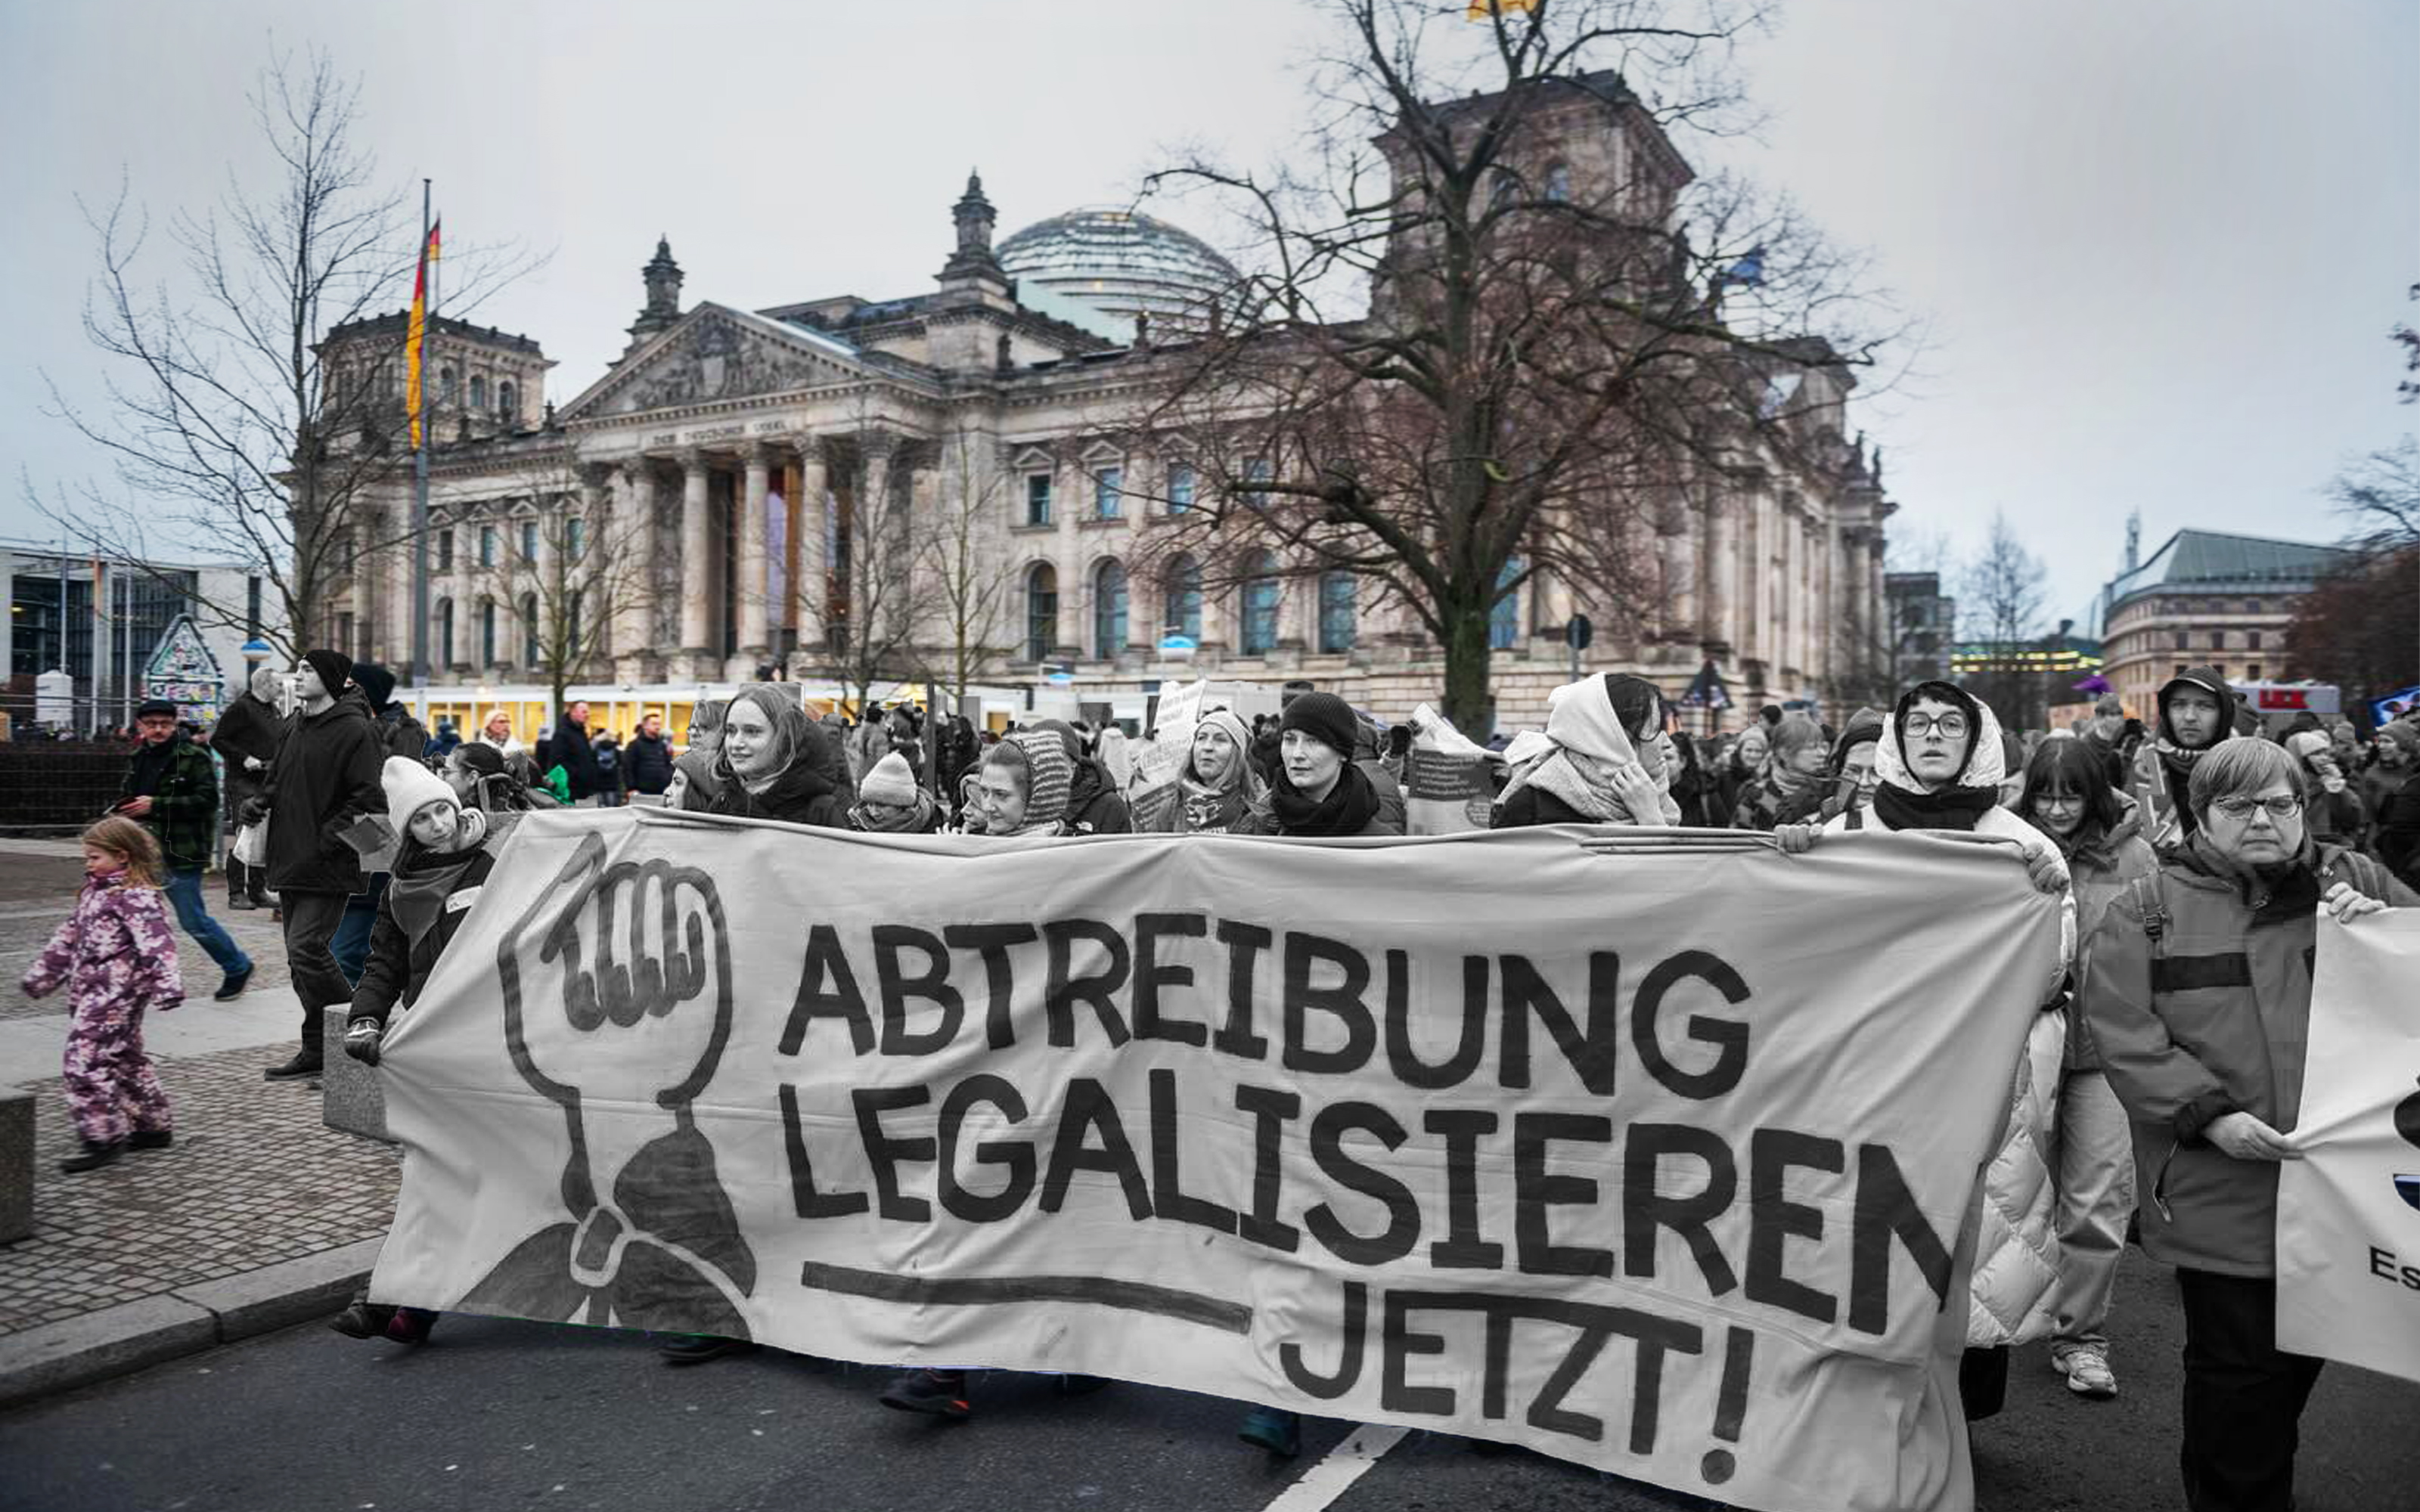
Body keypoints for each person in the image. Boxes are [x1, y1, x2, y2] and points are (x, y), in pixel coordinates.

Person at [2081, 739, 2413, 1511]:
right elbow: (2122, 1028)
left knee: (2285, 1378)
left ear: (2301, 808)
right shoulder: (2146, 907)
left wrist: (2384, 926)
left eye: (2278, 803)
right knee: (2238, 1388)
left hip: (2343, 1194)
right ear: (2199, 814)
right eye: (2238, 805)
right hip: (2219, 1195)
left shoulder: (2356, 882)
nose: (2261, 818)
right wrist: (2210, 1114)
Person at [329, 757, 501, 1346]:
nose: (437, 824)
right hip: (442, 1049)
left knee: (451, 1180)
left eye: (442, 810)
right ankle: (399, 1303)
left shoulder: (496, 867)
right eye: (423, 819)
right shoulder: (400, 892)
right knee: (440, 1177)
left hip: (499, 1046)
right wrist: (366, 1018)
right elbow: (385, 963)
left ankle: (397, 1303)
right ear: (408, 833)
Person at [2019, 737, 2159, 1402]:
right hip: (2023, 1046)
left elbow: (2163, 947)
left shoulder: (2135, 856)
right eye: (2043, 795)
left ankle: (2081, 1337)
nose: (2055, 809)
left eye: (2069, 794)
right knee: (2013, 1196)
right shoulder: (2007, 846)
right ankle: (1989, 1327)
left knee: (2100, 1197)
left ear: (2093, 794)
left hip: (2105, 1052)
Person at [244, 649, 386, 1081]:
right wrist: (257, 804)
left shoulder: (357, 730)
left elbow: (369, 801)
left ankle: (358, 1032)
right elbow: (276, 779)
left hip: (330, 861)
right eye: (299, 669)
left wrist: (326, 839)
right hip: (290, 858)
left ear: (331, 677)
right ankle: (316, 1048)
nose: (299, 676)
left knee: (307, 949)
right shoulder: (293, 724)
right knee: (297, 959)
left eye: (308, 670)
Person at [21, 816, 185, 1173]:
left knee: (84, 1060)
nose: (88, 864)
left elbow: (158, 945)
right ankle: (152, 1126)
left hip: (117, 995)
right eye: (87, 857)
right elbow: (67, 940)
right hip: (94, 993)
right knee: (126, 1058)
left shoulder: (136, 897)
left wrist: (167, 987)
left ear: (122, 857)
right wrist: (41, 977)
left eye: (94, 857)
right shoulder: (95, 893)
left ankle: (103, 1135)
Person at [116, 697, 253, 1000]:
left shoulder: (193, 756)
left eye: (165, 724)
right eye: (152, 725)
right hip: (140, 852)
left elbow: (208, 802)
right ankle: (135, 982)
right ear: (141, 726)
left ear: (174, 724)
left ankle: (237, 966)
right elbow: (130, 795)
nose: (159, 730)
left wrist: (157, 805)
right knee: (134, 919)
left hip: (180, 851)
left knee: (193, 920)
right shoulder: (138, 756)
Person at [1491, 674, 1672, 829]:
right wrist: (1652, 822)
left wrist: (1652, 815)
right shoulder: (1534, 807)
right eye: (1655, 730)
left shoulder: (1658, 796)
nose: (1667, 743)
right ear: (1614, 739)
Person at [1252, 691, 1403, 842]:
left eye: (1314, 741)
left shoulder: (1381, 843)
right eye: (1290, 739)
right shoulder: (1254, 824)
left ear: (1343, 753)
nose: (1297, 754)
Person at [2128, 666, 2238, 850]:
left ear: (2224, 713)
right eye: (2178, 705)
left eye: (2205, 706)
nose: (2189, 717)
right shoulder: (2144, 761)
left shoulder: (2246, 765)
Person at [706, 686, 849, 828]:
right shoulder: (723, 803)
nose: (736, 743)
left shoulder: (823, 810)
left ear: (784, 739)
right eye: (730, 731)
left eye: (752, 732)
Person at [210, 667, 288, 911]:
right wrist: (245, 758)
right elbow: (218, 739)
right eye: (277, 684)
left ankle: (257, 891)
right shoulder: (241, 708)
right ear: (264, 684)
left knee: (263, 836)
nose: (280, 688)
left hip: (267, 781)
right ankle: (236, 893)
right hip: (243, 782)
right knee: (246, 833)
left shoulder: (273, 710)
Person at [1150, 709, 1266, 835]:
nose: (1207, 747)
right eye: (1201, 738)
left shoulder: (1258, 809)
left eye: (1220, 740)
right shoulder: (1171, 809)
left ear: (1237, 753)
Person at [1729, 712, 1830, 831]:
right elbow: (1738, 839)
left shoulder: (1829, 790)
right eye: (1811, 747)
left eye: (1822, 747)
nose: (1822, 754)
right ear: (1784, 752)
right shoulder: (1757, 794)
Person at [1032, 719, 1134, 835]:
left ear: (1073, 763)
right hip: (1123, 774)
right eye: (1035, 760)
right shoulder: (1017, 805)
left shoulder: (1110, 807)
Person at [2282, 729, 2362, 849]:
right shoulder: (2285, 786)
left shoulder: (2329, 784)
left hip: (2330, 847)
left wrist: (2340, 790)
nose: (2325, 758)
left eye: (2326, 753)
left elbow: (2353, 819)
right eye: (2317, 754)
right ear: (2300, 758)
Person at [1818, 707, 1885, 824]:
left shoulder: (1917, 827)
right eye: (1854, 771)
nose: (1864, 782)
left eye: (1877, 772)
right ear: (1838, 773)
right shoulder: (1813, 824)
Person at [848, 751, 942, 834]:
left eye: (881, 805)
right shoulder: (858, 824)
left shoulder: (938, 829)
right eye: (870, 804)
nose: (874, 813)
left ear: (904, 805)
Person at [675, 700, 731, 813]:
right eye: (692, 727)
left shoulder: (737, 770)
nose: (694, 733)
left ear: (724, 731)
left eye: (704, 727)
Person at [551, 700, 604, 805]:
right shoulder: (563, 734)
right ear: (573, 712)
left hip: (586, 790)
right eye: (584, 712)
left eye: (588, 712)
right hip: (573, 791)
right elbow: (558, 762)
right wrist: (578, 776)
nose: (587, 715)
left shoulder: (581, 732)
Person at [622, 712, 675, 804]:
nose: (658, 727)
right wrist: (631, 788)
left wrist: (669, 782)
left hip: (661, 792)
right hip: (641, 792)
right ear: (645, 726)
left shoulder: (662, 745)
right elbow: (628, 768)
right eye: (654, 724)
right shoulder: (634, 745)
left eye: (659, 724)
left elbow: (668, 765)